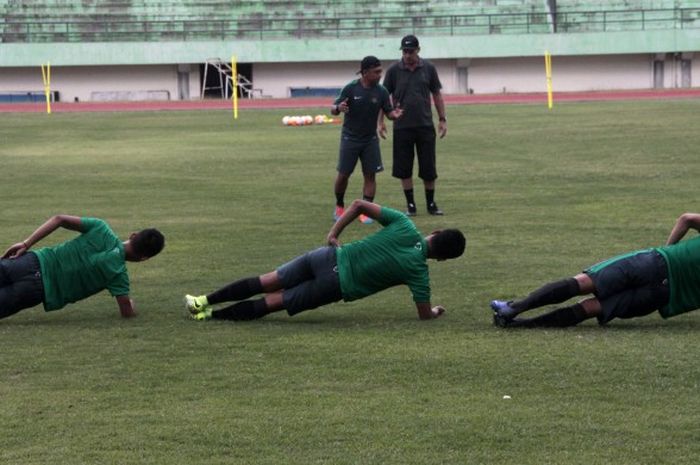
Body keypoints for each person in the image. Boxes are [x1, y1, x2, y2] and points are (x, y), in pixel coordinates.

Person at [184, 199, 465, 321]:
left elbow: (358, 204)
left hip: (327, 255)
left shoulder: (404, 224)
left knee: (266, 281)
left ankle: (202, 300)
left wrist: (334, 233)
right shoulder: (419, 273)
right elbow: (424, 313)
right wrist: (435, 312)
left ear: (435, 232)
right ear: (441, 259)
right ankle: (210, 316)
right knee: (275, 301)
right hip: (335, 284)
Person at [490, 213, 700, 328]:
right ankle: (521, 325)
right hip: (667, 293)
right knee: (592, 307)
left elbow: (687, 219)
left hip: (658, 262)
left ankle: (513, 308)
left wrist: (669, 249)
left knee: (584, 283)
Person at [0, 215, 164, 320]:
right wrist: (131, 305)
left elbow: (59, 219)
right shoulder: (118, 275)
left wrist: (26, 243)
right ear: (144, 258)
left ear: (133, 235)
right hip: (37, 289)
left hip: (30, 262)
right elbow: (126, 311)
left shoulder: (101, 228)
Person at [330, 56, 403, 224]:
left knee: (370, 175)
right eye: (376, 72)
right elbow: (333, 109)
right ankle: (340, 205)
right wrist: (338, 108)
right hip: (350, 138)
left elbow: (389, 112)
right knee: (343, 175)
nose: (379, 75)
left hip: (370, 139)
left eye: (380, 72)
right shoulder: (350, 89)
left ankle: (366, 210)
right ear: (365, 72)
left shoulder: (382, 91)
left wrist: (394, 115)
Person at [380, 34, 448, 217]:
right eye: (404, 51)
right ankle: (411, 205)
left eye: (410, 51)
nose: (407, 55)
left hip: (425, 125)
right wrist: (381, 121)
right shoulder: (394, 70)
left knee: (428, 167)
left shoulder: (429, 68)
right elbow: (384, 96)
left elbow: (437, 94)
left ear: (418, 50)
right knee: (404, 167)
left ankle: (431, 204)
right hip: (402, 126)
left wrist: (442, 119)